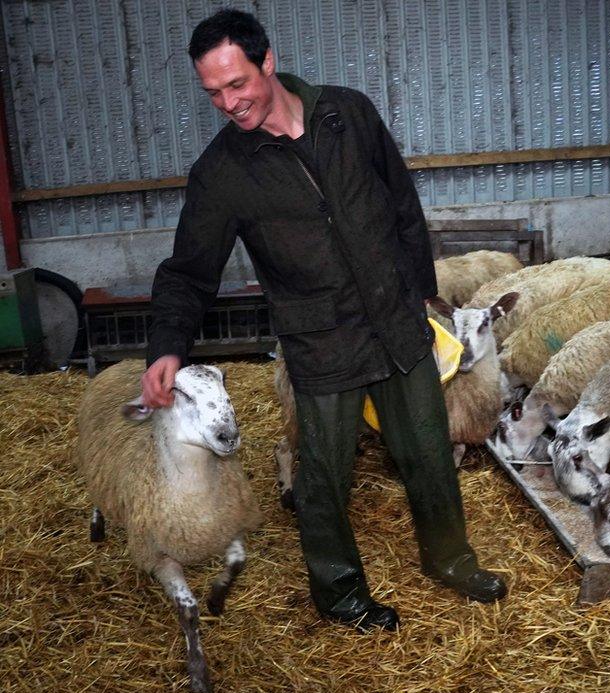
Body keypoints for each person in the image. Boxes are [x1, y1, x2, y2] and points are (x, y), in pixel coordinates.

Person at [141, 9, 507, 632]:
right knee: (325, 480)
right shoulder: (223, 174)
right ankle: (341, 596)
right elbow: (188, 270)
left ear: (268, 63)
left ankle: (451, 560)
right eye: (213, 93)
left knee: (428, 454)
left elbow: (401, 206)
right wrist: (167, 346)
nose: (228, 103)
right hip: (322, 341)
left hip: (396, 325)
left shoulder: (349, 114)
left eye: (237, 84)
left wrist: (419, 291)